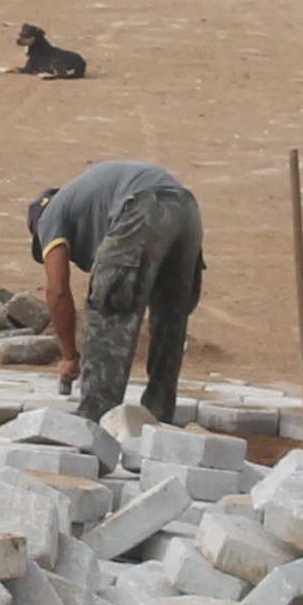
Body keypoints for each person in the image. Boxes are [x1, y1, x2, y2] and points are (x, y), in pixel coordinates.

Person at [31, 159, 203, 424]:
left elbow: (57, 291)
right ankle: (160, 423)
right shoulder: (87, 198)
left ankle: (96, 424)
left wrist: (69, 356)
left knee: (109, 312)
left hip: (144, 207)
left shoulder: (50, 216)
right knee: (170, 322)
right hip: (187, 210)